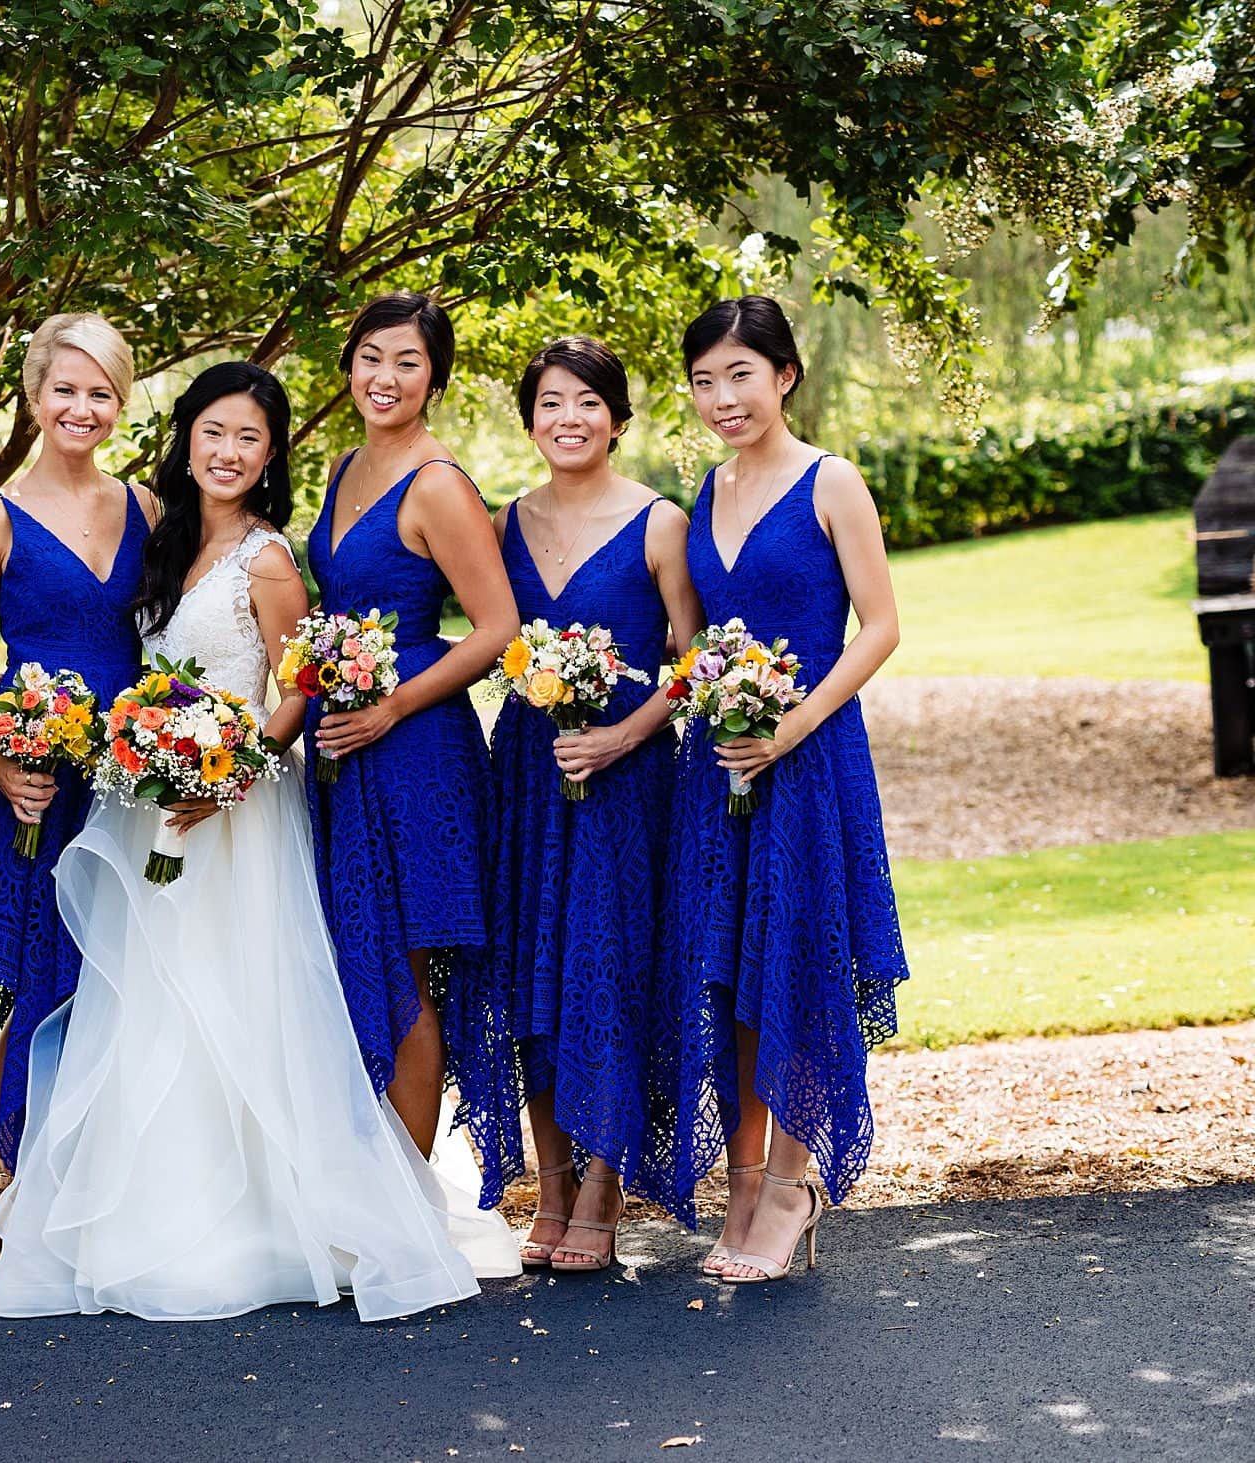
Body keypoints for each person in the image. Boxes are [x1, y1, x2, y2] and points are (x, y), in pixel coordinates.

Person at [0, 363, 518, 1321]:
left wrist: (230, 772)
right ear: (186, 436)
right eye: (214, 433)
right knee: (158, 997)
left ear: (270, 457)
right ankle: (159, 1204)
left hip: (243, 812)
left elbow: (297, 686)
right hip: (159, 802)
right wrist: (164, 762)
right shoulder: (168, 540)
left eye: (249, 440)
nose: (228, 453)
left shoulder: (268, 558)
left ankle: (276, 1215)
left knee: (240, 991)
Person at [665, 296, 909, 1283]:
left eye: (739, 374)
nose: (721, 397)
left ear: (783, 376)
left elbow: (882, 624)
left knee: (795, 967)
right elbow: (692, 635)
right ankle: (743, 1183)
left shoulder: (829, 480)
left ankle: (793, 1186)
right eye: (702, 380)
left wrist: (791, 724)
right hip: (715, 769)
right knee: (725, 979)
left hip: (806, 762)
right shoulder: (703, 492)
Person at [303, 291, 524, 1206]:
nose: (384, 377)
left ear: (435, 375)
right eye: (370, 356)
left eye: (406, 362)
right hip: (346, 744)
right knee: (358, 953)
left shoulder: (437, 482)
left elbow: (498, 626)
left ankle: (405, 1201)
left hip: (415, 747)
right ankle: (366, 1187)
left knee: (404, 964)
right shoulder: (347, 464)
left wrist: (390, 707)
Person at [487, 337, 701, 1270]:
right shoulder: (503, 521)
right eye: (549, 405)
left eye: (586, 403)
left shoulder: (660, 523)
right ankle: (554, 1180)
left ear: (617, 416)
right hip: (531, 773)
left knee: (607, 968)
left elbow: (697, 662)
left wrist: (622, 734)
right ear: (529, 420)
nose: (567, 420)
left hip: (626, 778)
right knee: (531, 971)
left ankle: (607, 1184)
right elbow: (498, 640)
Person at [0, 313, 150, 1168]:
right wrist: (0, 760)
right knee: (42, 975)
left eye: (100, 392)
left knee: (128, 973)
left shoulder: (145, 505)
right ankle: (31, 1185)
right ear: (33, 396)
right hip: (37, 777)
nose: (82, 407)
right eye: (65, 389)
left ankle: (119, 1180)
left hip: (135, 776)